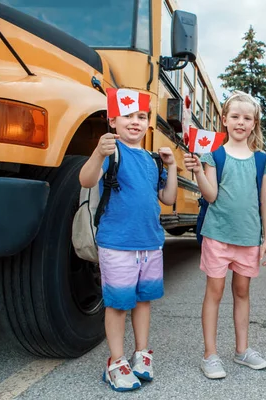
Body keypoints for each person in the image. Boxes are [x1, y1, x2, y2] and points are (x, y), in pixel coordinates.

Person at [79, 104, 178, 392]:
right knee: (119, 304)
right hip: (118, 244)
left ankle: (141, 354)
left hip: (150, 244)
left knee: (143, 301)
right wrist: (98, 152)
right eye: (128, 116)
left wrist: (171, 166)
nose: (135, 122)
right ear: (113, 120)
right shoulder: (112, 153)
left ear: (148, 123)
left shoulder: (151, 160)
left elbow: (168, 197)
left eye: (142, 117)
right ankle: (116, 362)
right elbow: (85, 180)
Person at [184, 90, 266, 379]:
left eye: (247, 118)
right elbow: (210, 196)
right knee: (215, 291)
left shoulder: (261, 160)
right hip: (217, 236)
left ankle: (242, 350)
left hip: (248, 239)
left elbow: (265, 201)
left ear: (254, 123)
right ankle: (210, 355)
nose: (240, 122)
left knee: (242, 292)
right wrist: (198, 171)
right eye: (235, 116)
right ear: (224, 120)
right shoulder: (214, 156)